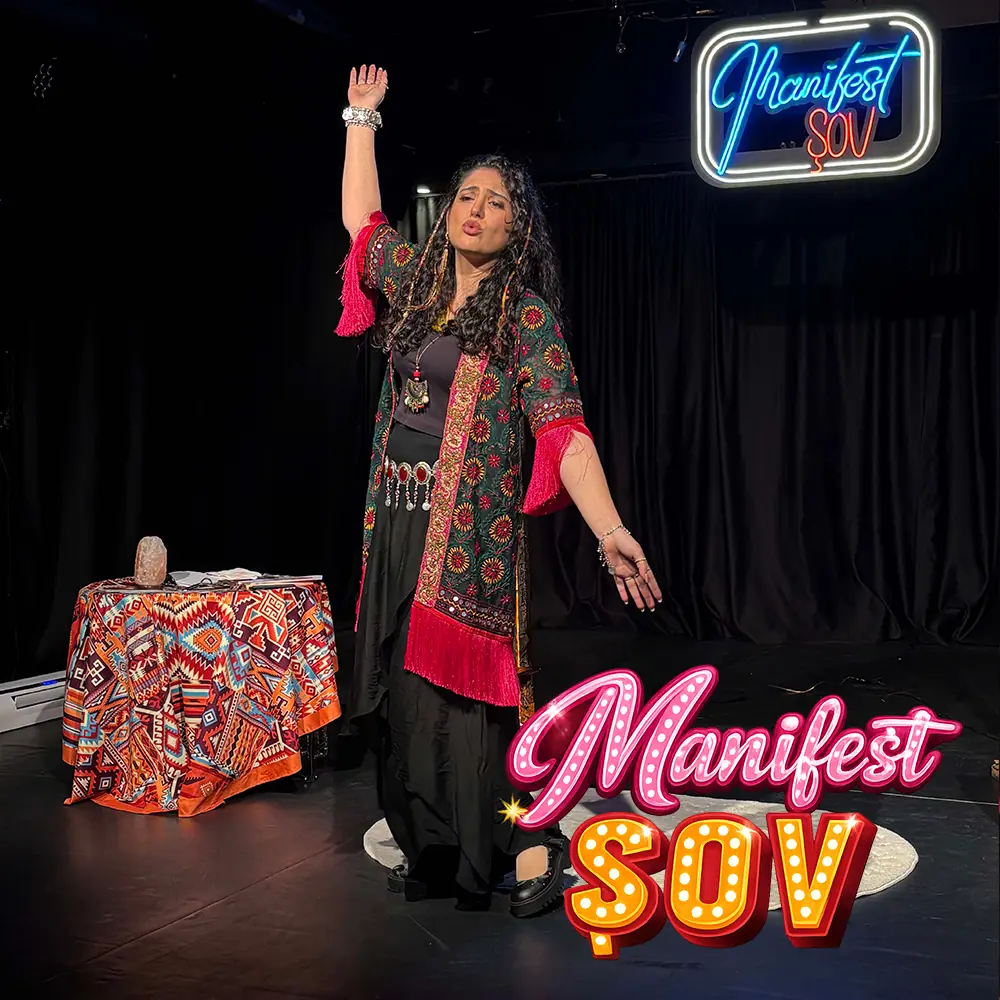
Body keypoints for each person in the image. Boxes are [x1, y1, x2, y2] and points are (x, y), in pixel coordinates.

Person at [338, 64, 662, 916]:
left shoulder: (524, 316)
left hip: (468, 536)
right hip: (394, 518)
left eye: (496, 203)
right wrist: (361, 121)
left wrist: (609, 529)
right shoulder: (415, 284)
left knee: (468, 705)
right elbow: (362, 223)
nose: (474, 210)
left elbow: (565, 433)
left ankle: (524, 844)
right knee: (403, 699)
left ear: (517, 230)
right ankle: (436, 847)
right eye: (465, 196)